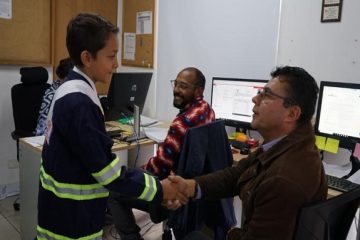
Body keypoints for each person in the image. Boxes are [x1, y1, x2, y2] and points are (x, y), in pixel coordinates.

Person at [36, 13, 182, 240]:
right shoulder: (79, 104)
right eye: (111, 56)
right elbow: (109, 174)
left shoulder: (72, 89)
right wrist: (160, 189)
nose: (116, 64)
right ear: (87, 58)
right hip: (72, 223)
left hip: (60, 214)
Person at [166, 66, 328, 240]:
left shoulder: (283, 179)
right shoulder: (285, 145)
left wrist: (229, 233)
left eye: (266, 95)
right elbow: (235, 175)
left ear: (292, 113)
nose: (254, 98)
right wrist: (189, 187)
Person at [107, 67, 215, 240]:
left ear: (198, 91)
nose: (176, 90)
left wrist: (136, 173)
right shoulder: (207, 110)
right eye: (176, 84)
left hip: (171, 192)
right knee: (130, 175)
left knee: (114, 189)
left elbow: (159, 168)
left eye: (183, 86)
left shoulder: (182, 123)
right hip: (190, 189)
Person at [34, 57, 73, 136]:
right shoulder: (52, 94)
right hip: (47, 139)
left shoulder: (73, 91)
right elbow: (43, 129)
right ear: (66, 78)